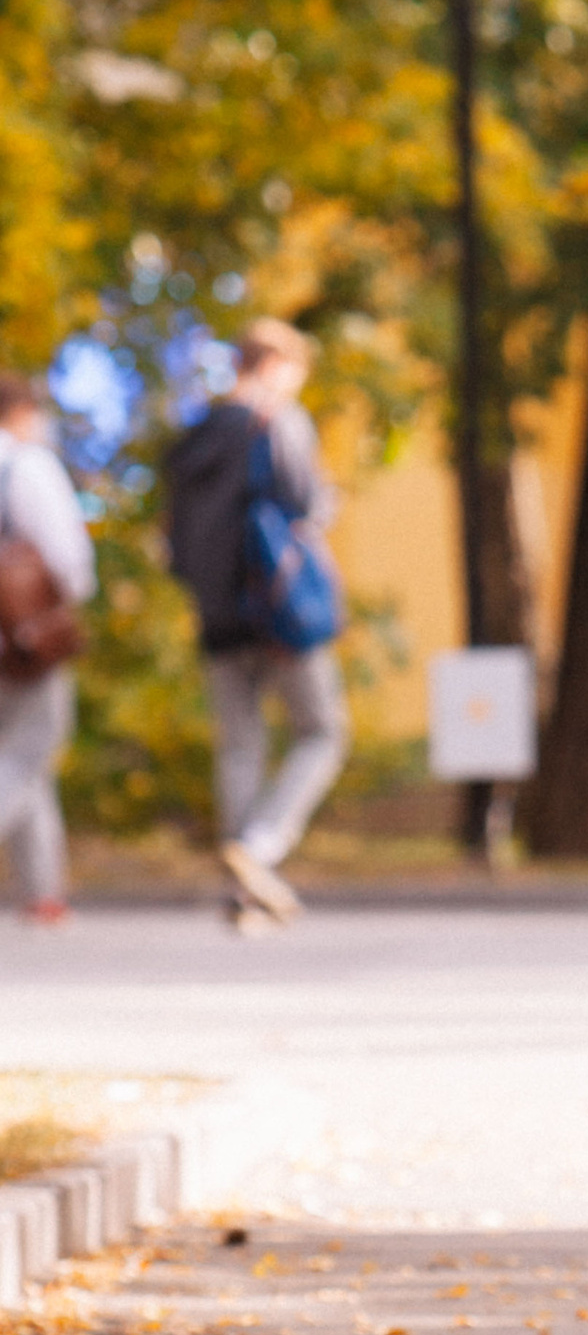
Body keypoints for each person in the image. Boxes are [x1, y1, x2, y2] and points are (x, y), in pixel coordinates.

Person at [163, 315, 346, 926]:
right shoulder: (277, 422)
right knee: (322, 731)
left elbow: (176, 543)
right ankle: (261, 845)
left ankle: (246, 889)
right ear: (273, 365)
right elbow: (305, 505)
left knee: (239, 748)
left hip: (216, 615)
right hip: (280, 611)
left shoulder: (198, 436)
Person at [0, 372, 95, 928]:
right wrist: (71, 599)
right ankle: (44, 893)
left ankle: (44, 893)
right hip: (22, 635)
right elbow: (66, 556)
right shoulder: (25, 465)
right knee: (31, 746)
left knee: (22, 756)